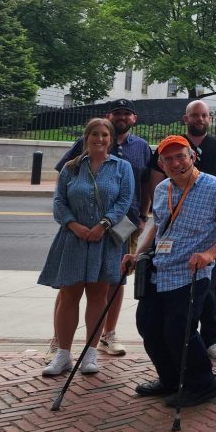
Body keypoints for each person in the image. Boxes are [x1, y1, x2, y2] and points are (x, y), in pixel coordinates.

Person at [124, 135, 216, 408]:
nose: (176, 163)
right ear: (162, 165)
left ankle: (204, 383)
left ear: (193, 157)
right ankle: (170, 379)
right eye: (169, 159)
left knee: (179, 331)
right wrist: (138, 254)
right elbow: (158, 225)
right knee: (149, 327)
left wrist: (210, 254)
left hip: (191, 272)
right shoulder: (164, 188)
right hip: (159, 269)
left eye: (181, 156)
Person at [48, 99, 152, 360]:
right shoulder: (79, 154)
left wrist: (143, 215)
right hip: (81, 225)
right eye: (118, 113)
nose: (122, 118)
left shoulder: (141, 147)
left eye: (127, 114)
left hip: (125, 223)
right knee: (70, 286)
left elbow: (147, 182)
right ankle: (59, 340)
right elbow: (62, 184)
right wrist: (74, 222)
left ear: (134, 119)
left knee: (113, 281)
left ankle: (108, 334)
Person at [38, 118, 133, 377]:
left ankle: (90, 354)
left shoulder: (122, 168)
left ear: (111, 140)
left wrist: (104, 224)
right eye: (94, 134)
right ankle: (63, 355)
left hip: (105, 240)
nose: (99, 139)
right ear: (85, 138)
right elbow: (59, 201)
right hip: (73, 239)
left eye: (104, 135)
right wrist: (73, 225)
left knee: (98, 295)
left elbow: (124, 200)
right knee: (69, 295)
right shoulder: (71, 168)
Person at [145, 100, 216, 360]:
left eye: (204, 115)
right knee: (164, 320)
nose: (199, 119)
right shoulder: (170, 153)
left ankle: (211, 338)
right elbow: (158, 212)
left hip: (207, 238)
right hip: (170, 250)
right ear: (186, 118)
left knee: (208, 289)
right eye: (194, 115)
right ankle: (183, 350)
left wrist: (215, 217)